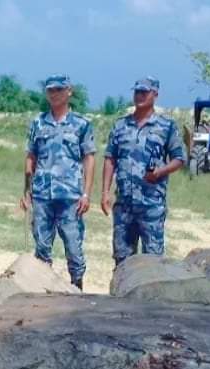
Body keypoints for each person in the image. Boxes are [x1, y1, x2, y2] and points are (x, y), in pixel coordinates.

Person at [20, 74, 96, 289]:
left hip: (71, 196)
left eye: (59, 90)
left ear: (69, 92)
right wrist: (26, 191)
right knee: (42, 248)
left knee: (73, 246)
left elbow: (89, 158)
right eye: (50, 90)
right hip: (42, 194)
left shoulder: (81, 124)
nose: (54, 94)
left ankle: (77, 286)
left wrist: (86, 193)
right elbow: (31, 157)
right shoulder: (38, 123)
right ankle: (43, 291)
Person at [101, 76, 185, 266]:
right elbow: (110, 159)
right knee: (122, 260)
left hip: (151, 205)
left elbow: (179, 159)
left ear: (155, 94)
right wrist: (105, 192)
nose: (139, 96)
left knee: (153, 262)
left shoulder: (166, 126)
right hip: (124, 204)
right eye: (137, 92)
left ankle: (150, 296)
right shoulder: (120, 126)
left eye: (144, 92)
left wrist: (160, 172)